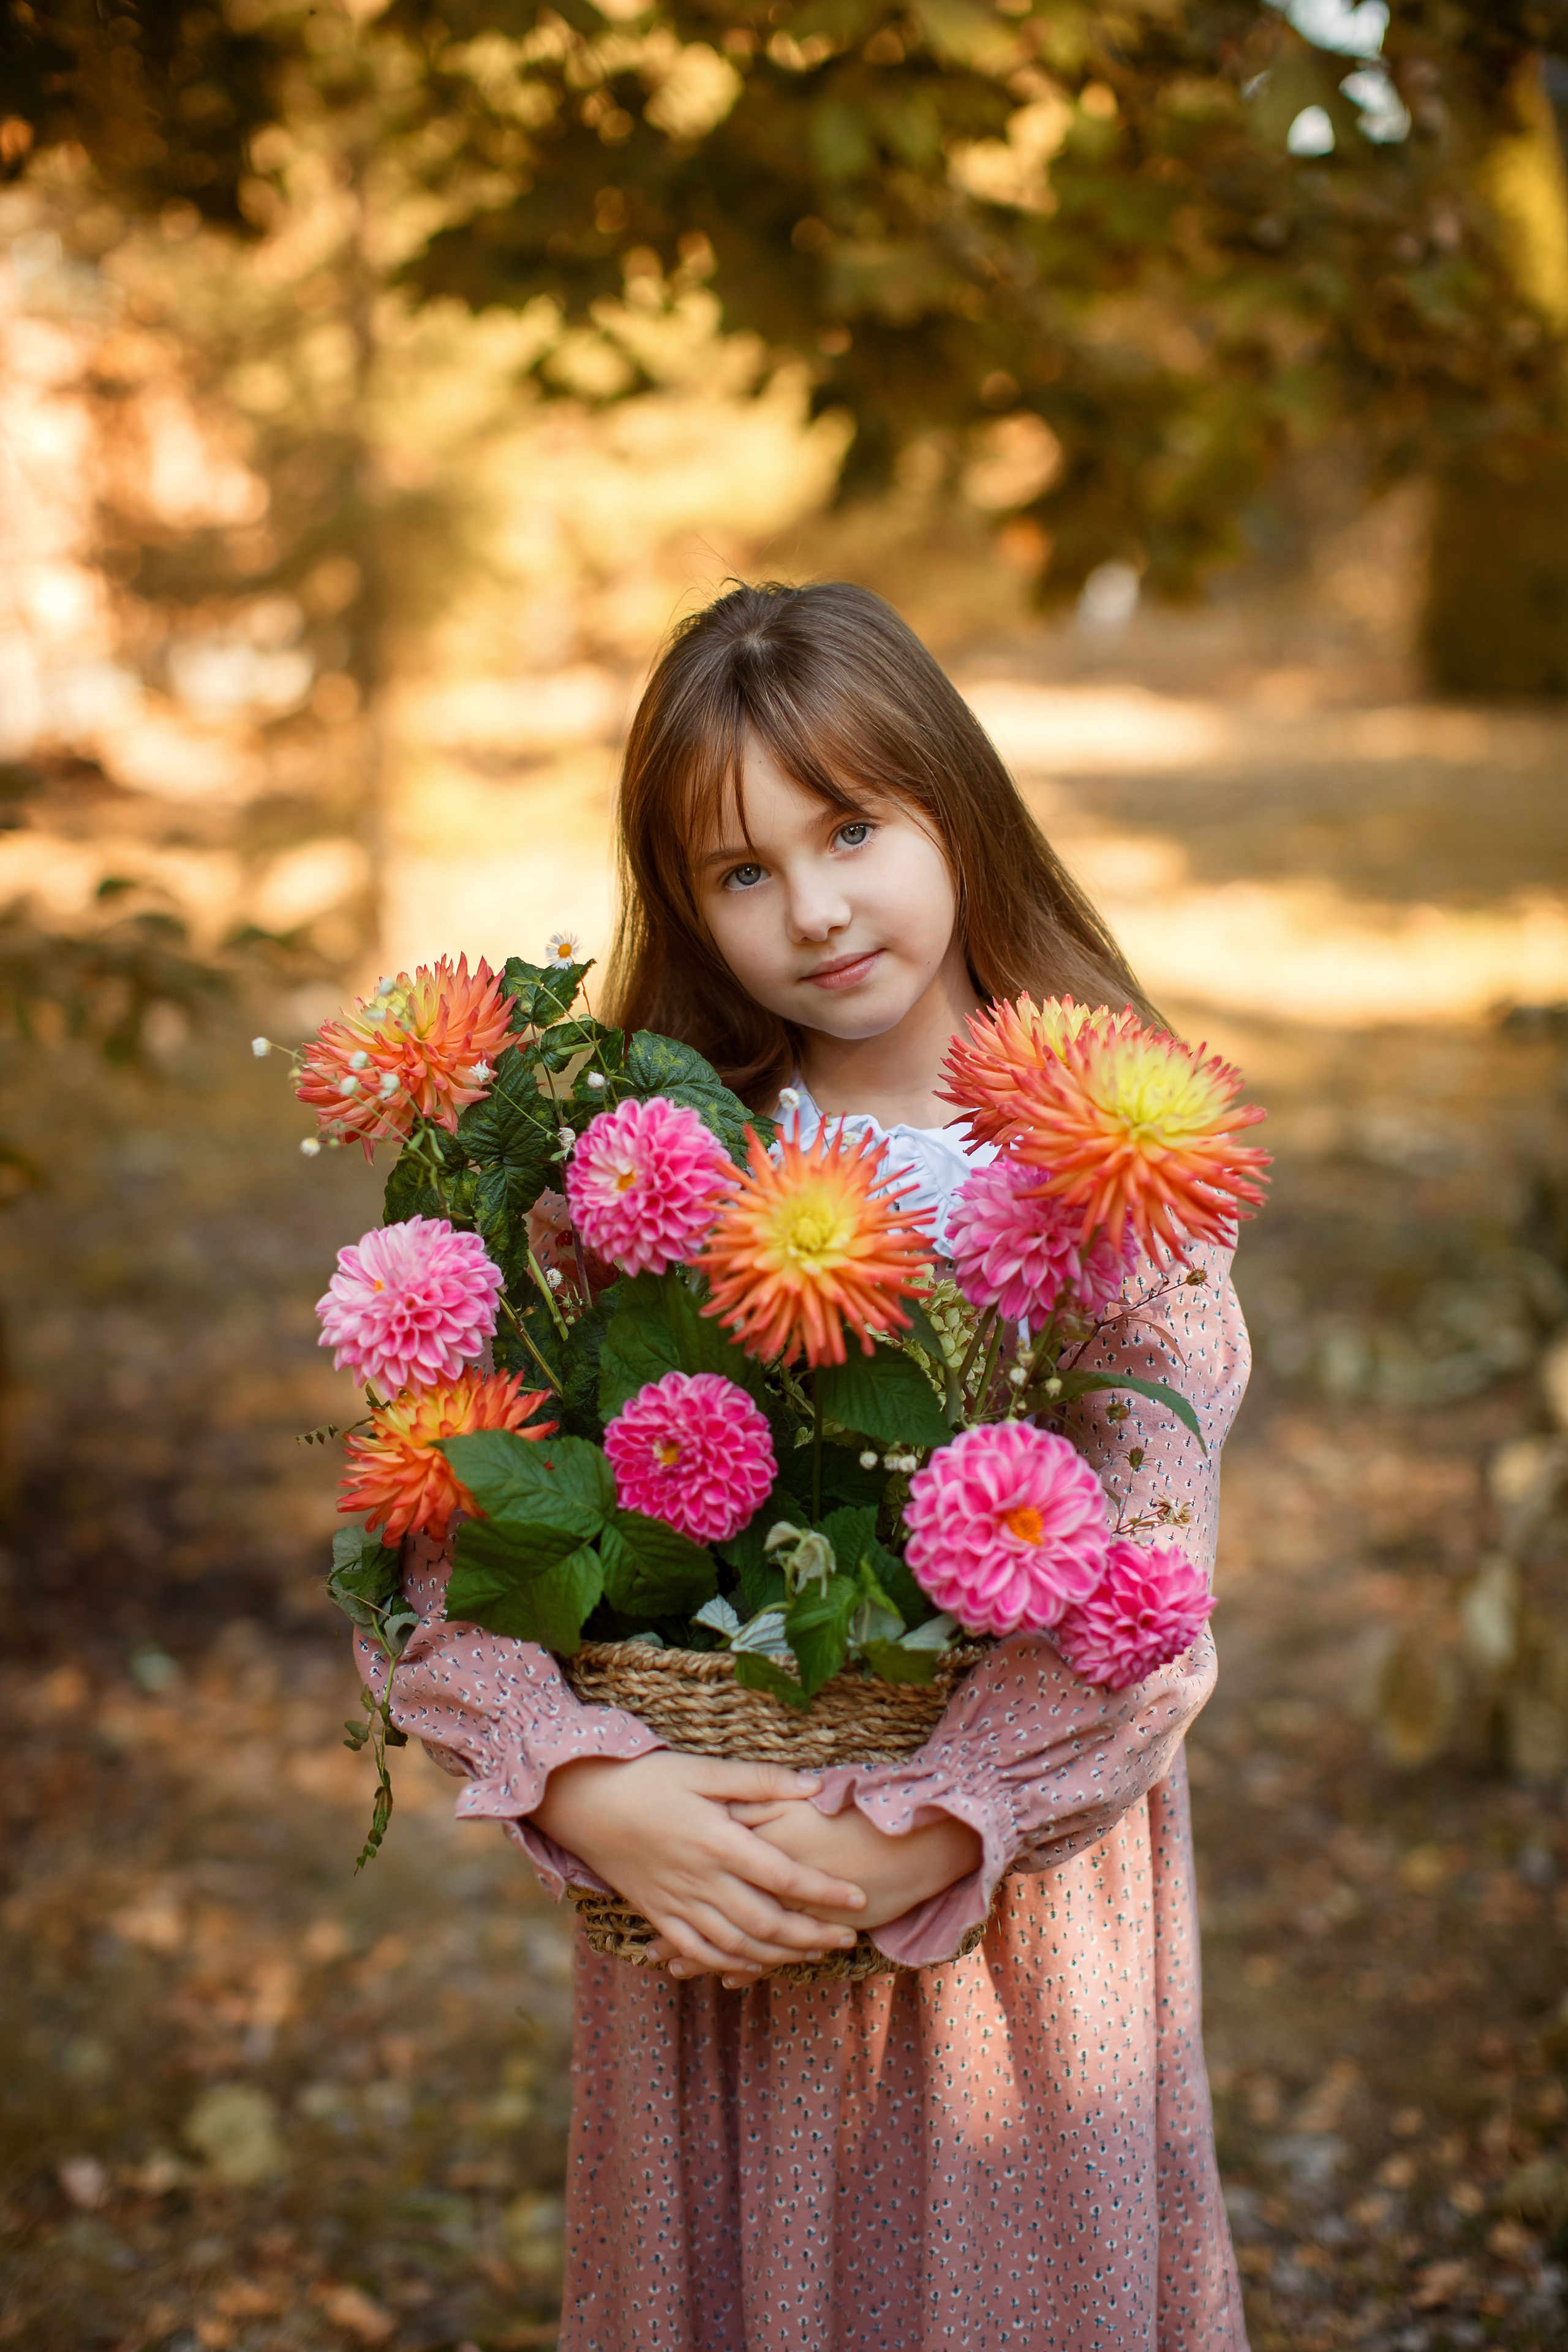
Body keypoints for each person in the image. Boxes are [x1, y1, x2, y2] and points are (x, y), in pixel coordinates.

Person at [372, 582, 1252, 2350]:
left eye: (852, 827)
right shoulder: (643, 1172)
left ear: (955, 803)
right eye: (743, 870)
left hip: (999, 1935)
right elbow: (443, 1559)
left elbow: (1147, 1610)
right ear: (687, 904)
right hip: (698, 1893)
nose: (818, 908)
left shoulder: (1104, 1178)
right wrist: (583, 1789)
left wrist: (921, 1839)